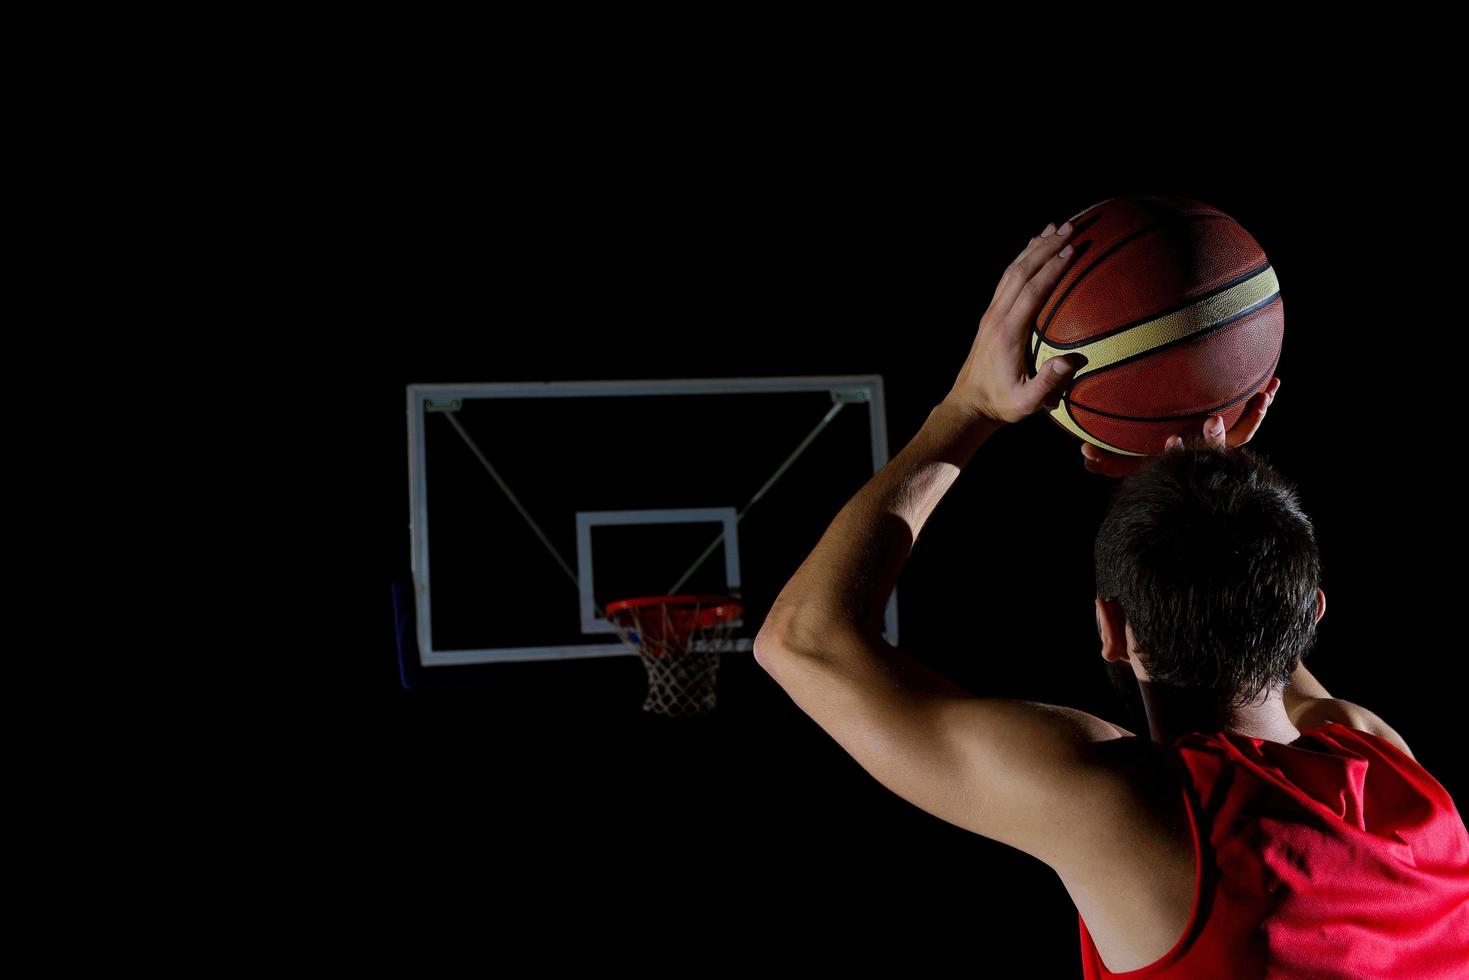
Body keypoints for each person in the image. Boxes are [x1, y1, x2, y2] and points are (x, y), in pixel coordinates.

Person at [754, 218, 1469, 977]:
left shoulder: (1133, 811)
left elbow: (800, 640)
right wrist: (1205, 472)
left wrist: (968, 408)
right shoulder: (1401, 784)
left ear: (1111, 628)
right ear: (1311, 614)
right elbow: (1265, 632)